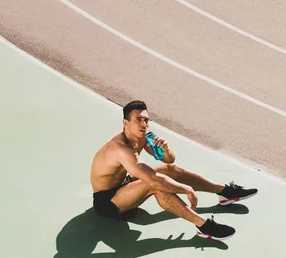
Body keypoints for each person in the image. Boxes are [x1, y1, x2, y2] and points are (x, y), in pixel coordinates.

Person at [90, 100, 257, 240]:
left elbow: (170, 161)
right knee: (154, 184)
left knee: (169, 170)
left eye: (146, 120)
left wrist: (165, 149)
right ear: (125, 123)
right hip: (107, 202)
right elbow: (152, 179)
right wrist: (186, 189)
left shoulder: (141, 137)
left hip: (123, 185)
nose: (144, 124)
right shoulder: (120, 149)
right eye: (138, 120)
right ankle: (204, 225)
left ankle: (224, 192)